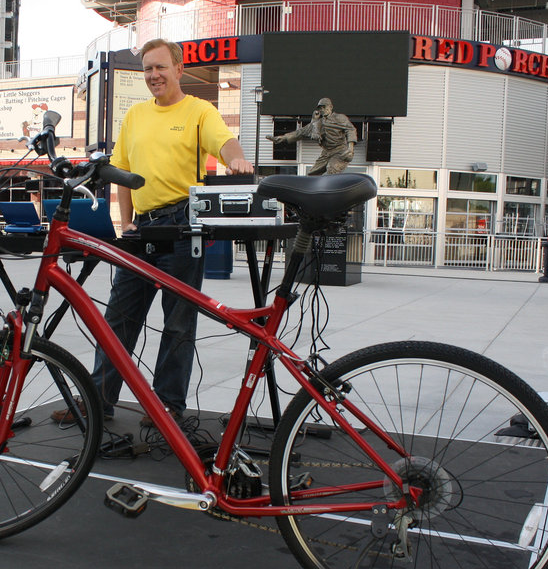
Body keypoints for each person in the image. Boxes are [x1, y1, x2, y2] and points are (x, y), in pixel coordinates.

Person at [54, 38, 253, 427]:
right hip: (141, 229)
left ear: (179, 69)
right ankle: (98, 401)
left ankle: (168, 409)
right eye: (147, 68)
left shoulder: (200, 111)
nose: (153, 75)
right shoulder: (135, 116)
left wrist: (237, 159)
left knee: (178, 322)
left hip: (181, 227)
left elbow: (225, 142)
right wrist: (125, 222)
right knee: (119, 318)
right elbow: (122, 174)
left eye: (160, 67)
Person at [267, 97, 357, 175]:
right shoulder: (318, 123)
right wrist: (283, 138)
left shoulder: (340, 118)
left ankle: (332, 192)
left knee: (331, 170)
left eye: (324, 107)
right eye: (320, 108)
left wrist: (350, 148)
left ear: (330, 107)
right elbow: (300, 132)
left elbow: (351, 129)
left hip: (340, 151)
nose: (322, 110)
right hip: (326, 152)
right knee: (312, 174)